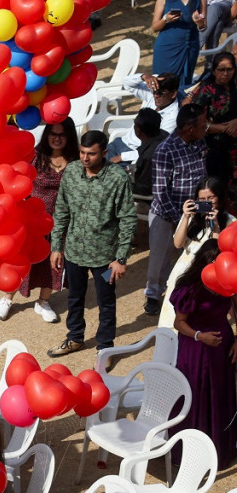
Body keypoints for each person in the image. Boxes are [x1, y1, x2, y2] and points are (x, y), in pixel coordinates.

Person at [47, 130, 140, 356]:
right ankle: (75, 337)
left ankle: (105, 348)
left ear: (105, 153)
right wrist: (56, 247)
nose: (85, 158)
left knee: (106, 302)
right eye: (82, 152)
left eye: (91, 154)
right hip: (74, 252)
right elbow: (61, 211)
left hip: (106, 258)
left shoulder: (118, 178)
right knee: (75, 297)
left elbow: (127, 219)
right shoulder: (71, 172)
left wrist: (121, 259)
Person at [0, 119, 78, 324]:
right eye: (53, 133)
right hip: (33, 218)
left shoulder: (75, 162)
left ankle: (43, 301)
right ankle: (7, 298)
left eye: (62, 134)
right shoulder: (35, 156)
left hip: (61, 222)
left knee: (55, 262)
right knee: (22, 259)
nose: (57, 138)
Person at [170, 241, 237, 468]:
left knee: (220, 394)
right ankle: (190, 455)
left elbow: (235, 310)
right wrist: (200, 336)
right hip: (195, 349)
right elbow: (179, 323)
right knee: (196, 394)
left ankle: (220, 450)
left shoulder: (229, 281)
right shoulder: (189, 288)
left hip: (222, 349)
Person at [147, 104, 209, 316]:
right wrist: (179, 219)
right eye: (203, 124)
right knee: (160, 259)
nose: (206, 127)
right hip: (167, 215)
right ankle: (153, 295)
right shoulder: (165, 150)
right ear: (190, 129)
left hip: (195, 211)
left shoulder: (200, 142)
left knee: (193, 256)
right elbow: (161, 192)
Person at [161, 177, 231, 331]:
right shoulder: (192, 218)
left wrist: (217, 227)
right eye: (202, 199)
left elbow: (216, 252)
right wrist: (186, 216)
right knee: (173, 320)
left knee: (197, 321)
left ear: (220, 197)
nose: (207, 202)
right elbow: (178, 243)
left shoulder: (231, 223)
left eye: (211, 198)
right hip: (184, 272)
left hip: (208, 275)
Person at [187, 55, 237, 186]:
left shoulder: (235, 85)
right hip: (215, 148)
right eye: (221, 69)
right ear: (214, 71)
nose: (225, 73)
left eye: (229, 69)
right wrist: (224, 128)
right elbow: (195, 122)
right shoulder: (207, 90)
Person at [152, 0, 205, 89]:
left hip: (190, 46)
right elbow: (154, 27)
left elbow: (203, 26)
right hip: (166, 46)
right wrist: (165, 19)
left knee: (184, 84)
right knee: (162, 84)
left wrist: (199, 23)